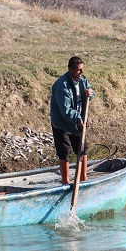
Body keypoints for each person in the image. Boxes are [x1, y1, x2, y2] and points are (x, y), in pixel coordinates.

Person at [50, 56, 95, 184]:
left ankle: (83, 177)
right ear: (70, 70)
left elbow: (91, 93)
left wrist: (90, 94)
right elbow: (66, 110)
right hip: (62, 124)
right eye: (79, 70)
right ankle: (66, 181)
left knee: (82, 148)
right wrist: (78, 118)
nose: (81, 73)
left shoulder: (82, 80)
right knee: (65, 151)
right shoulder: (61, 85)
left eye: (82, 69)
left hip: (78, 122)